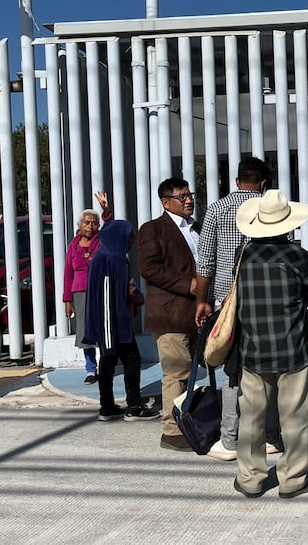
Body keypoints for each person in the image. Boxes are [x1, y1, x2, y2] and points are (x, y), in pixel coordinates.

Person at [231, 189, 308, 499]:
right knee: (294, 418)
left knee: (252, 419)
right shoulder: (298, 257)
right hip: (293, 346)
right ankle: (292, 479)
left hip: (252, 348)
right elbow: (307, 294)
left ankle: (250, 478)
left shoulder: (243, 256)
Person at [193, 156, 277, 461]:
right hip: (268, 301)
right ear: (264, 182)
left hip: (228, 303)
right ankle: (269, 435)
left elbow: (206, 262)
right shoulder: (273, 209)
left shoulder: (217, 209)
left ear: (237, 180)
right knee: (268, 368)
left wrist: (202, 300)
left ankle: (230, 438)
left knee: (232, 370)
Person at [137, 178, 200, 452]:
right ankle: (172, 431)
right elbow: (148, 268)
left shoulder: (197, 228)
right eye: (182, 196)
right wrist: (189, 284)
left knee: (193, 371)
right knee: (176, 372)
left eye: (190, 194)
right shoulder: (153, 229)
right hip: (170, 313)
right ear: (166, 202)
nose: (189, 200)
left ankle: (190, 420)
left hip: (197, 312)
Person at [84, 219, 160, 423]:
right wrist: (110, 330)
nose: (132, 241)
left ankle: (109, 406)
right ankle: (131, 406)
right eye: (129, 236)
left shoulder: (112, 256)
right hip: (112, 322)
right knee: (123, 360)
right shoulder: (107, 258)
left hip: (116, 321)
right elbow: (107, 296)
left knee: (115, 361)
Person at [62, 192, 112, 384]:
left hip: (99, 291)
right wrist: (67, 300)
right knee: (84, 332)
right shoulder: (73, 246)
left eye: (94, 223)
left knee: (102, 329)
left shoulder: (102, 240)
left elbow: (111, 225)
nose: (90, 226)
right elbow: (68, 273)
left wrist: (105, 209)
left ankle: (107, 365)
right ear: (79, 226)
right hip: (80, 292)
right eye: (87, 223)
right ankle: (91, 369)